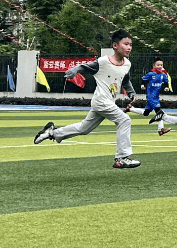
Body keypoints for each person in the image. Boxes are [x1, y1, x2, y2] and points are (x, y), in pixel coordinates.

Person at [32, 29, 141, 169]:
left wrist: (131, 93)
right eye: (126, 44)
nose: (129, 47)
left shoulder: (127, 64)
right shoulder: (103, 62)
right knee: (124, 120)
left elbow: (125, 80)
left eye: (130, 44)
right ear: (115, 45)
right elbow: (84, 66)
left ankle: (52, 133)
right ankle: (122, 158)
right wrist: (75, 71)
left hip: (107, 102)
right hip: (101, 100)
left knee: (84, 128)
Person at [139, 59, 170, 124]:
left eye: (161, 65)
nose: (160, 66)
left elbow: (166, 82)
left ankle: (130, 109)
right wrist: (142, 85)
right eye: (158, 65)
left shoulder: (163, 74)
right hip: (150, 96)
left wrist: (166, 87)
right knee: (159, 112)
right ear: (154, 66)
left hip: (156, 96)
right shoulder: (151, 74)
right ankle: (161, 129)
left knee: (146, 113)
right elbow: (144, 79)